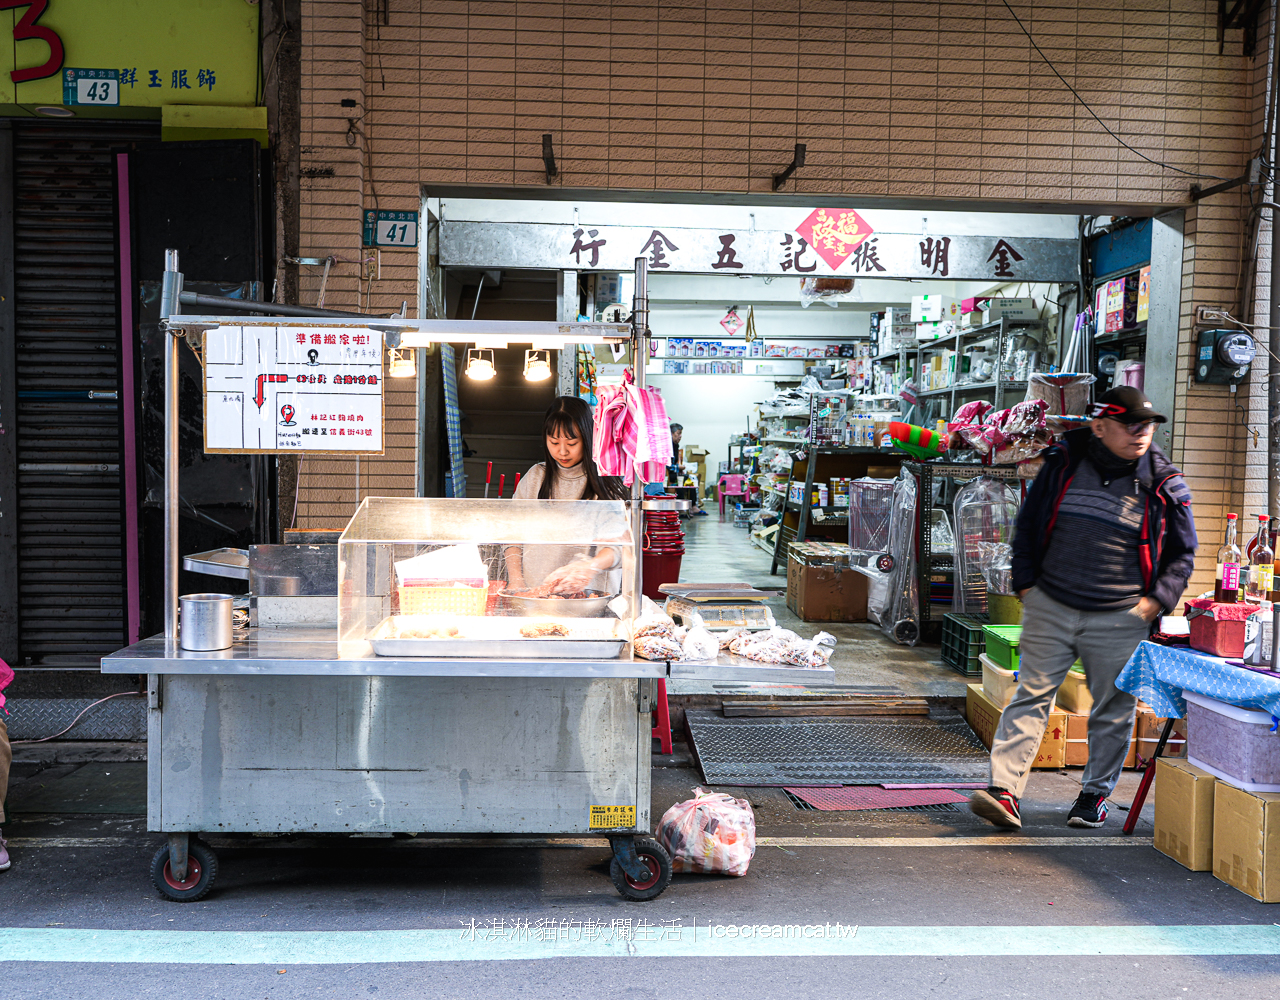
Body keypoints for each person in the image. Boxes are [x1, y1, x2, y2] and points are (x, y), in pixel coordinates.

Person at [970, 386, 1197, 831]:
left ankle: (1094, 795)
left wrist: (1157, 600)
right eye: (1132, 425)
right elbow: (1029, 525)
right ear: (1100, 426)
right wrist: (1027, 585)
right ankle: (1004, 791)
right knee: (1031, 695)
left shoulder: (1162, 484)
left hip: (1120, 614)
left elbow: (1183, 553)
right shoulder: (1064, 464)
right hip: (1050, 603)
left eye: (1148, 426)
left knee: (1112, 707)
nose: (1142, 434)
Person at [506, 396, 630, 595]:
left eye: (572, 443)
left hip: (590, 601)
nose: (562, 451)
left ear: (587, 438)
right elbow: (511, 533)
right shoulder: (536, 477)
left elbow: (616, 548)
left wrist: (588, 567)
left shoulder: (606, 483)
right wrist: (516, 581)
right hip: (536, 597)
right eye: (554, 442)